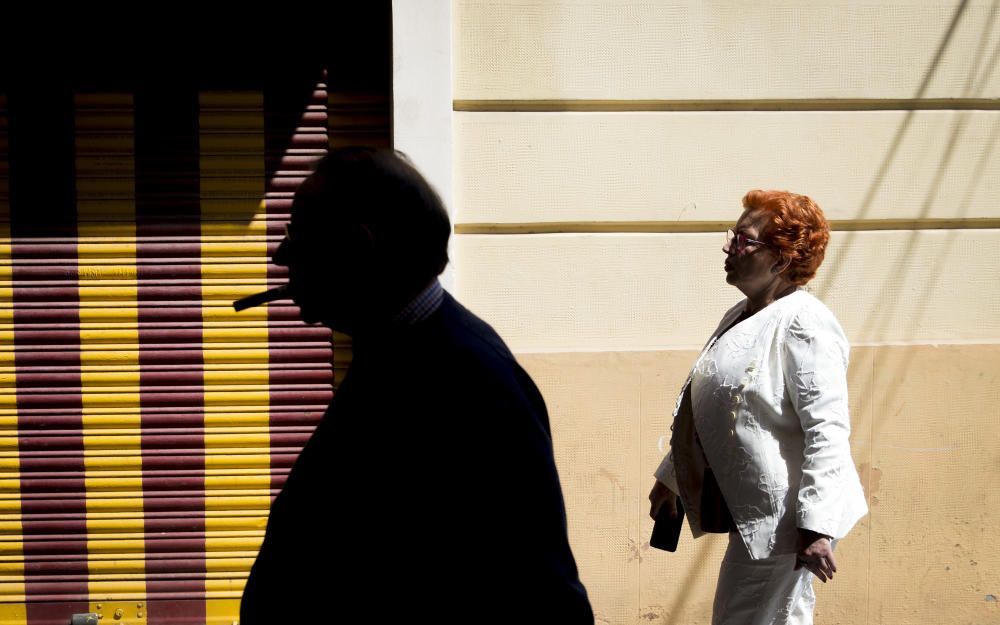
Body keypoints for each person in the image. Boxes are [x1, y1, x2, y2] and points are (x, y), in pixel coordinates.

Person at [240, 147, 593, 624]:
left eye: (298, 235)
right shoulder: (393, 347)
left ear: (358, 248)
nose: (283, 254)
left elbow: (544, 594)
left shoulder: (476, 383)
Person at [648, 190, 867, 624]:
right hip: (762, 517)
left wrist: (816, 524)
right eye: (733, 236)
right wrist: (673, 477)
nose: (729, 247)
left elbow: (827, 428)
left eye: (744, 240)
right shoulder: (743, 313)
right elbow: (717, 409)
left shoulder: (804, 321)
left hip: (789, 519)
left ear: (781, 259)